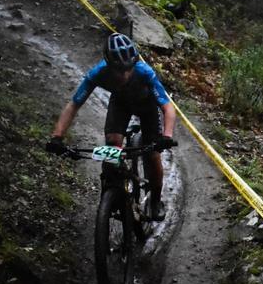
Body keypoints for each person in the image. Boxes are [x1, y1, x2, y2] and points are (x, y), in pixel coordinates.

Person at [45, 33, 178, 221]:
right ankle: (111, 192)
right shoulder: (98, 73)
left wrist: (166, 136)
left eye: (127, 69)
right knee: (112, 145)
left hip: (147, 107)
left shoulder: (145, 72)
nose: (123, 74)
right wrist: (57, 137)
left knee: (152, 154)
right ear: (109, 65)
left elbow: (167, 107)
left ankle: (155, 201)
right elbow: (74, 104)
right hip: (120, 104)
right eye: (118, 70)